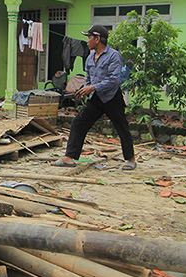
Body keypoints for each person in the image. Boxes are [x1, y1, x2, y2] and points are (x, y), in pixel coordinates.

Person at [52, 25, 136, 170]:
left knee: (122, 127)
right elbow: (89, 78)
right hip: (96, 98)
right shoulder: (90, 57)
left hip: (112, 97)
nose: (87, 41)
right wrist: (85, 90)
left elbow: (114, 80)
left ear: (97, 39)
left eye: (89, 37)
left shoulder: (113, 55)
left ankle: (131, 159)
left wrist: (92, 87)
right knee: (79, 123)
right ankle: (69, 157)